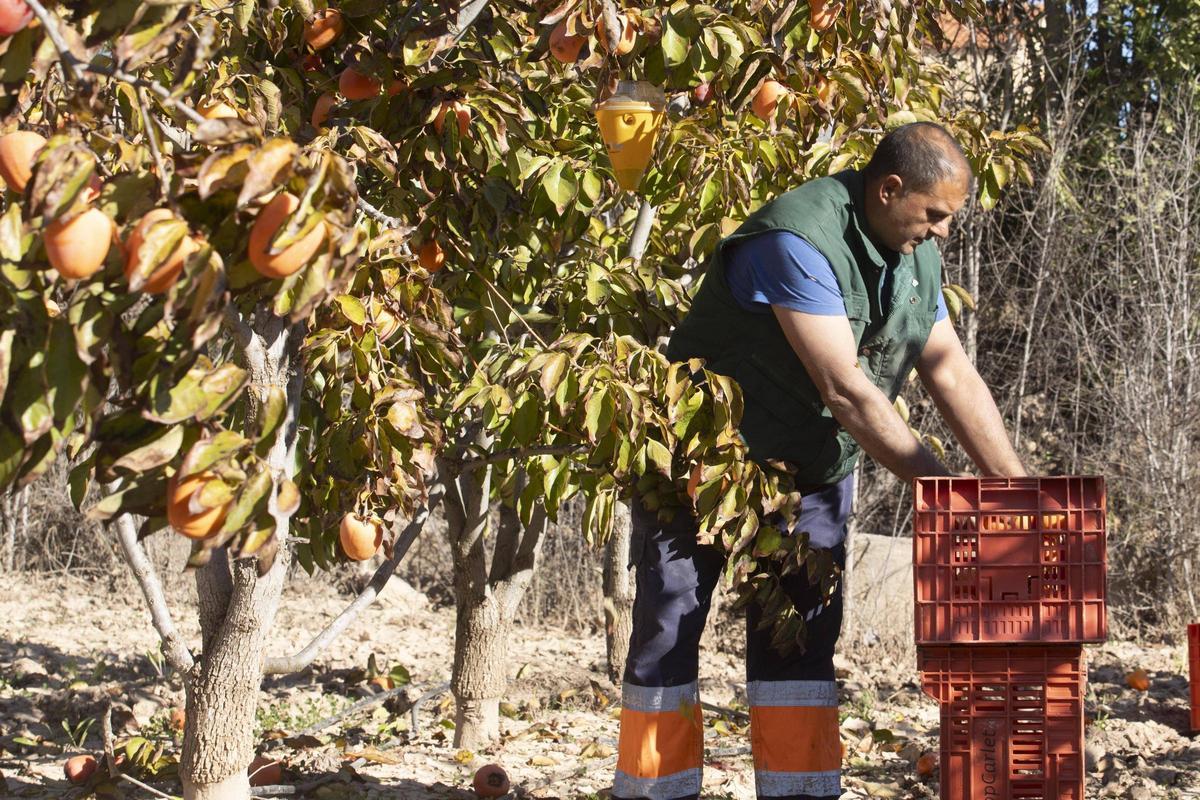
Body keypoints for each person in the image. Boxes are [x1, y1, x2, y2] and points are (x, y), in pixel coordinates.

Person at [612, 122, 1027, 800]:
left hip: (810, 467)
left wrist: (1014, 492)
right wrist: (950, 492)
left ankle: (800, 792)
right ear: (889, 190)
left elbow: (950, 371)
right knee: (672, 622)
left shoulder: (912, 248)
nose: (945, 232)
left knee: (802, 635)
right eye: (936, 215)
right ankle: (654, 792)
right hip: (703, 458)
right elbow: (846, 391)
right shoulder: (797, 241)